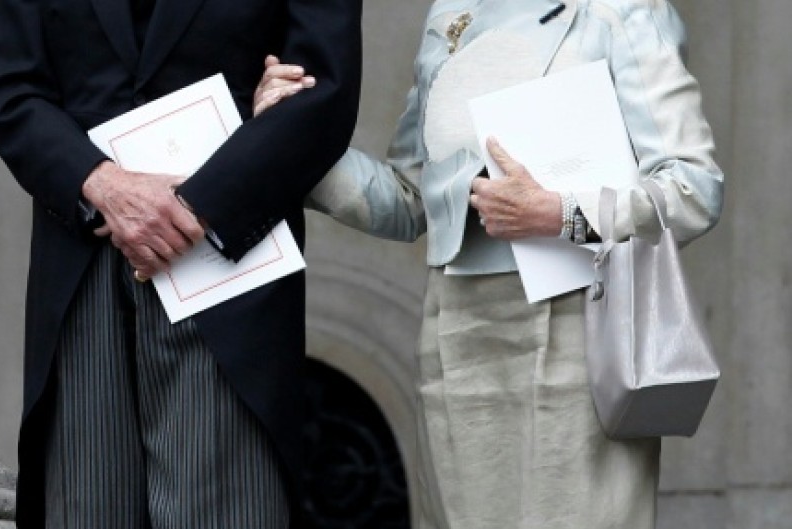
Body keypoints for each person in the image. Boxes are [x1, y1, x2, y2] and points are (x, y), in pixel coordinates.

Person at [253, 0, 724, 528]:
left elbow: (692, 190)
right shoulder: (450, 15)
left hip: (581, 328)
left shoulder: (621, 9)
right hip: (456, 331)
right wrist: (291, 138)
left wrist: (561, 214)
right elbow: (410, 199)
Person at [0, 0, 362, 526]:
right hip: (80, 266)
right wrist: (103, 185)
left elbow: (322, 91)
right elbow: (12, 90)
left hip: (228, 272)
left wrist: (195, 208)